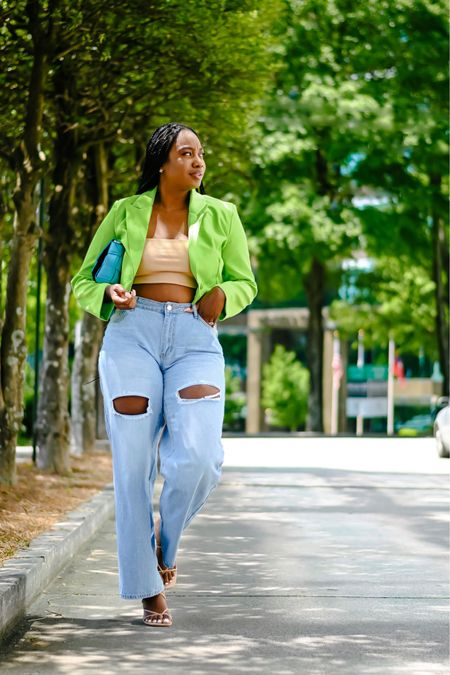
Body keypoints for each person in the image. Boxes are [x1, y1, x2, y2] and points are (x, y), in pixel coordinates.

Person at [71, 122, 257, 627]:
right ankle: (149, 590)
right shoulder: (125, 212)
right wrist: (108, 296)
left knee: (200, 457)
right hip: (132, 332)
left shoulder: (222, 216)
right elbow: (82, 281)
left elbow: (245, 282)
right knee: (132, 468)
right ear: (162, 162)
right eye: (186, 152)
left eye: (201, 153)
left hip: (196, 337)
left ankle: (164, 546)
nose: (198, 161)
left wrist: (226, 295)